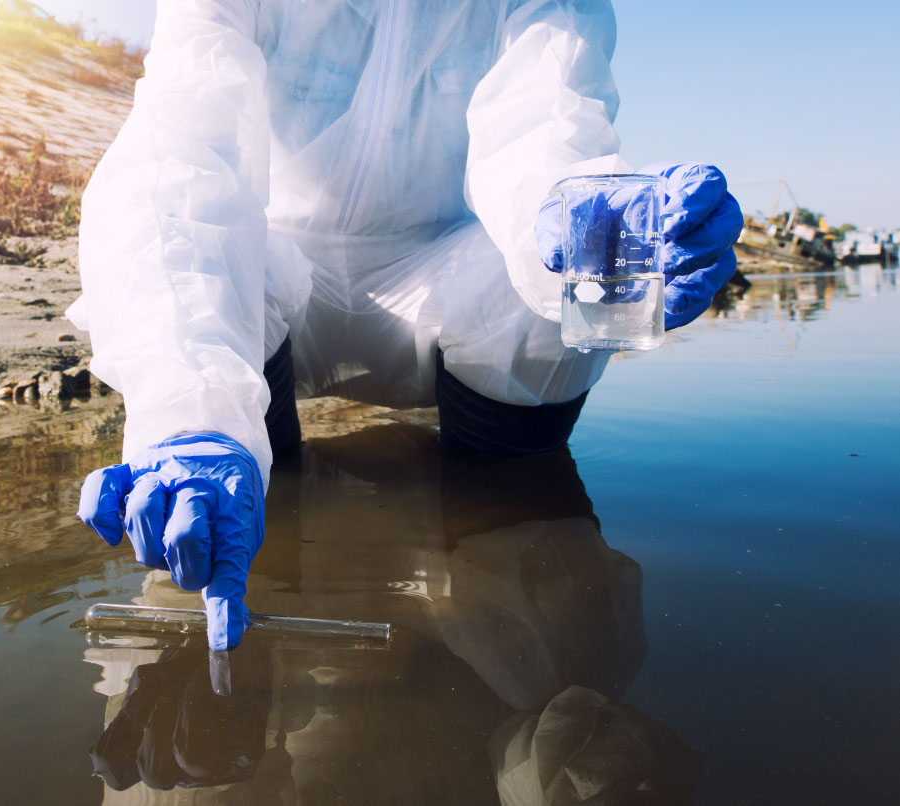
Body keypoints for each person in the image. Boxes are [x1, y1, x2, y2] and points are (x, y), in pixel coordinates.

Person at [68, 0, 741, 650]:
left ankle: (506, 557)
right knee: (187, 261)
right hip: (277, 268)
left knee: (551, 308)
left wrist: (586, 225)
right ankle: (229, 468)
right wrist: (187, 412)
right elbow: (187, 146)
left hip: (446, 269)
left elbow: (544, 125)